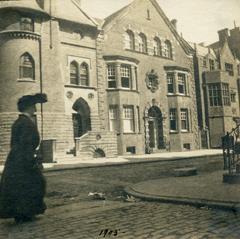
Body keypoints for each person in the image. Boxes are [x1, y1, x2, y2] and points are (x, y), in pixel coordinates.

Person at [0, 93, 48, 223]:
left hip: (16, 158)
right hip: (23, 159)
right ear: (28, 107)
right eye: (33, 106)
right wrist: (31, 160)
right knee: (34, 183)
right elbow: (25, 144)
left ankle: (23, 213)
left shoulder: (19, 122)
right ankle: (25, 213)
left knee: (21, 186)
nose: (35, 109)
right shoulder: (26, 123)